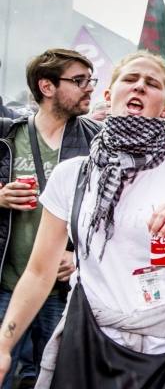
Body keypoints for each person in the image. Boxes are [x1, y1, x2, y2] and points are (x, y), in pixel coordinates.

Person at [0, 51, 165, 388]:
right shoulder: (72, 174)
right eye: (130, 80)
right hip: (89, 337)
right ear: (109, 95)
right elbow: (38, 272)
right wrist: (4, 346)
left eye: (151, 84)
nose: (139, 87)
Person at [0, 49, 101, 389]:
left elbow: (114, 214)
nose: (89, 88)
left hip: (63, 291)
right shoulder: (6, 137)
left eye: (91, 80)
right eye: (78, 81)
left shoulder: (97, 141)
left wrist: (80, 257)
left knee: (60, 379)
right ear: (46, 86)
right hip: (6, 286)